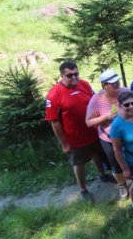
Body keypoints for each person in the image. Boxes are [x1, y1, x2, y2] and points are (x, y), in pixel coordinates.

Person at [45, 61, 115, 202]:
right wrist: (64, 143)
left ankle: (102, 174)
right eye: (69, 75)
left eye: (76, 74)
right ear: (62, 75)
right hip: (75, 138)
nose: (74, 77)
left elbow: (96, 101)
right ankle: (83, 189)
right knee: (79, 163)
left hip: (94, 131)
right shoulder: (54, 95)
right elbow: (54, 121)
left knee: (97, 154)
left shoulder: (84, 84)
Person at [86, 69, 133, 199]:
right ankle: (122, 184)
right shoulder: (96, 100)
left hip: (128, 136)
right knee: (116, 164)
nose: (117, 84)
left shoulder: (126, 92)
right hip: (109, 139)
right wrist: (104, 118)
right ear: (104, 85)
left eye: (117, 81)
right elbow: (89, 122)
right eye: (113, 83)